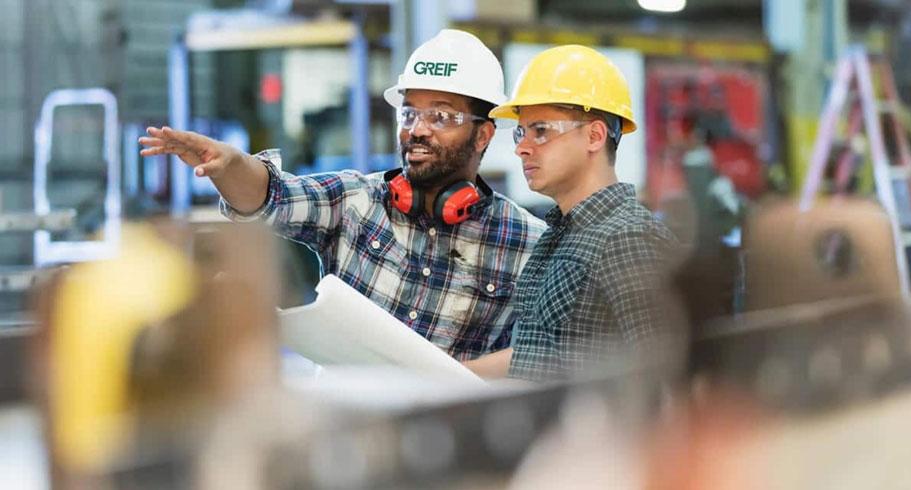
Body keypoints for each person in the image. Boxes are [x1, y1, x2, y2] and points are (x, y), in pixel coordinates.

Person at [139, 29, 546, 361]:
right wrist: (229, 165)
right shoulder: (355, 201)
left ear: (484, 133)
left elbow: (535, 361)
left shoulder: (527, 243)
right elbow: (271, 196)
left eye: (440, 116)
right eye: (409, 113)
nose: (417, 129)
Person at [464, 45, 682, 381]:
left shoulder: (629, 239)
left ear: (594, 136)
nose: (522, 147)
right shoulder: (558, 236)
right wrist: (446, 374)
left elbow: (669, 373)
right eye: (522, 132)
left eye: (541, 131)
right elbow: (537, 355)